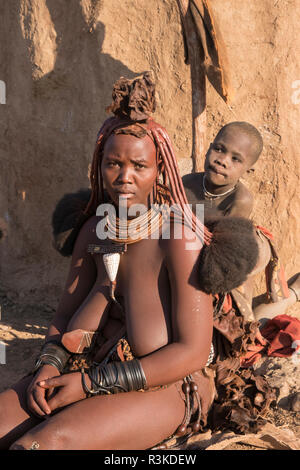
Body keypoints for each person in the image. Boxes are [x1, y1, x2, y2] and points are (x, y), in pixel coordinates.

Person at [0, 73, 234, 450]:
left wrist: (89, 386)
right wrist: (49, 365)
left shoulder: (179, 237)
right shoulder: (94, 231)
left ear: (159, 171)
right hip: (82, 369)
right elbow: (65, 316)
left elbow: (191, 352)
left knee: (42, 446)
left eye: (139, 166)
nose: (124, 177)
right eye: (113, 164)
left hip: (164, 386)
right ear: (99, 166)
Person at [182, 121, 299, 323]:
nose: (222, 161)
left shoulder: (240, 199)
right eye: (219, 149)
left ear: (247, 170)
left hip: (236, 250)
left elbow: (224, 256)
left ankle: (295, 292)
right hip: (198, 251)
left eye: (236, 159)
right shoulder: (186, 184)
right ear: (209, 147)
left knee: (241, 322)